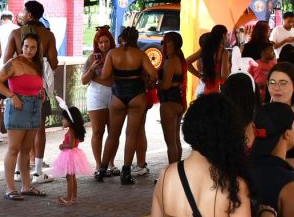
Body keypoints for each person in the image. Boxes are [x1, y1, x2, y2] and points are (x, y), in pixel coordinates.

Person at [5, 1, 59, 183]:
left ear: (29, 15)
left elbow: (5, 60)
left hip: (18, 85)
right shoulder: (48, 35)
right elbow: (54, 63)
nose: (20, 14)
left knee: (19, 129)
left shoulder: (15, 34)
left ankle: (18, 172)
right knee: (39, 128)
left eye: (23, 11)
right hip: (39, 86)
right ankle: (37, 172)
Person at [97, 26, 157, 185]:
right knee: (132, 135)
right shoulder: (140, 54)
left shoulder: (112, 53)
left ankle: (102, 170)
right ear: (135, 39)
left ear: (121, 38)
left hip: (117, 95)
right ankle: (126, 173)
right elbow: (154, 74)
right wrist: (148, 83)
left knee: (112, 135)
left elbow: (104, 76)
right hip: (137, 95)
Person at [0, 33, 46, 200]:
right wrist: (12, 96)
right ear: (21, 46)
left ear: (37, 49)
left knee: (26, 150)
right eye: (26, 46)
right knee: (14, 148)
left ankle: (26, 186)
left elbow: (35, 84)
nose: (29, 50)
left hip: (35, 108)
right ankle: (10, 188)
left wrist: (41, 91)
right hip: (18, 108)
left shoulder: (37, 64)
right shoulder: (14, 62)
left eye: (33, 47)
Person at [82, 27, 116, 175]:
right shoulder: (92, 58)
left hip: (114, 95)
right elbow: (84, 80)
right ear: (96, 44)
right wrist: (92, 69)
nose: (103, 45)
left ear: (111, 41)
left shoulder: (116, 55)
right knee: (97, 132)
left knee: (113, 132)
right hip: (96, 94)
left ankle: (111, 163)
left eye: (106, 41)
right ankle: (98, 165)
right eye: (100, 42)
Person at [48, 103, 92, 205]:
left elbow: (71, 145)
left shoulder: (71, 130)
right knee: (72, 177)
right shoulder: (74, 129)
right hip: (73, 154)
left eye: (64, 119)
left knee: (69, 177)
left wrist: (62, 146)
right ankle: (74, 197)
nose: (62, 121)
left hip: (70, 155)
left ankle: (69, 198)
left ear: (70, 120)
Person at [158, 31, 187, 164]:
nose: (164, 44)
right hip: (178, 100)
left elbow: (165, 85)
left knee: (170, 142)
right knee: (175, 140)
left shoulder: (171, 60)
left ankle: (173, 170)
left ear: (174, 44)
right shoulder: (178, 58)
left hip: (169, 101)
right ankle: (177, 169)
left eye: (167, 42)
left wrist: (153, 85)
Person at [0, 11, 18, 142]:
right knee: (17, 97)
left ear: (1, 19)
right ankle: (17, 131)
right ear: (12, 19)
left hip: (3, 68)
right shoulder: (18, 29)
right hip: (18, 68)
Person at [187, 25, 229, 94]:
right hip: (219, 89)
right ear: (223, 35)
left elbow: (187, 62)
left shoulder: (205, 50)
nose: (227, 38)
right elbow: (224, 76)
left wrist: (199, 75)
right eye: (227, 35)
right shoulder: (223, 52)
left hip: (207, 88)